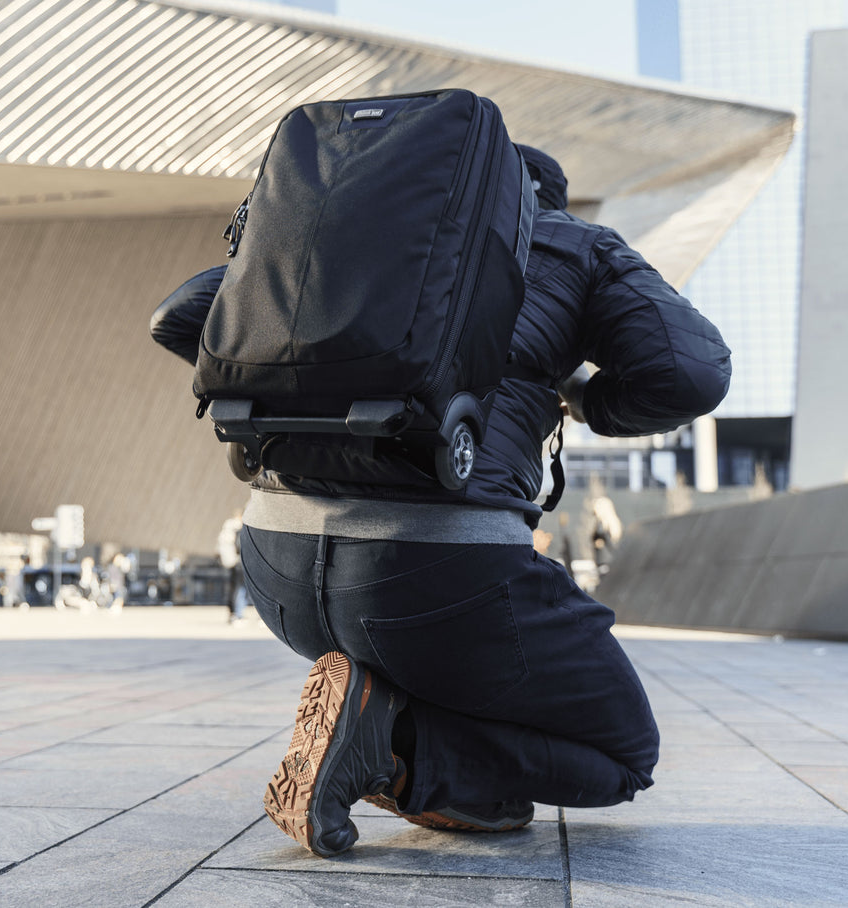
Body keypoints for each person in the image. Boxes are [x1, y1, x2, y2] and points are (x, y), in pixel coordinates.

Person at [150, 144, 730, 857]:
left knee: (441, 663)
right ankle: (391, 741)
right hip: (442, 569)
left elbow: (180, 317)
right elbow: (687, 375)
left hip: (276, 564)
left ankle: (395, 739)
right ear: (542, 198)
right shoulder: (575, 244)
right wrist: (580, 395)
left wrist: (290, 392)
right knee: (621, 757)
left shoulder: (343, 232)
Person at [218, 509, 247, 625]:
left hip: (229, 561)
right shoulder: (238, 528)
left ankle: (232, 613)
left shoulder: (227, 527)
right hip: (238, 561)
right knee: (240, 588)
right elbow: (239, 546)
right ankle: (238, 614)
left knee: (232, 588)